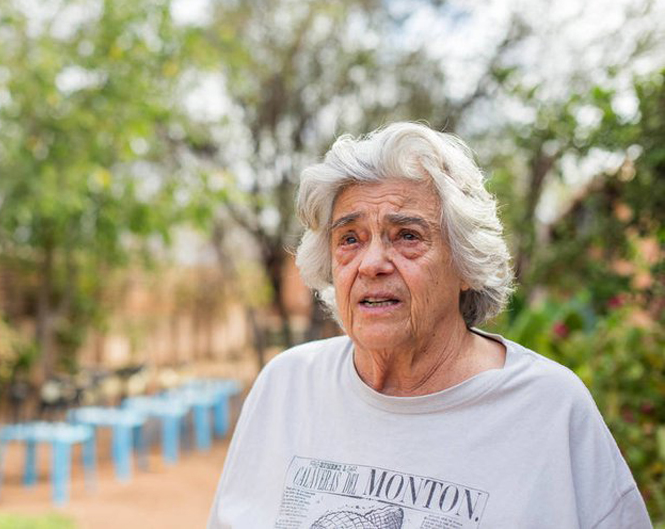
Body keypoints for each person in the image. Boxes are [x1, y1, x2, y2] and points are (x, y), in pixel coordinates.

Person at [207, 122, 651, 529]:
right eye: (350, 239)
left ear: (465, 265)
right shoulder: (286, 386)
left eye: (407, 236)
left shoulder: (550, 409)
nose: (372, 263)